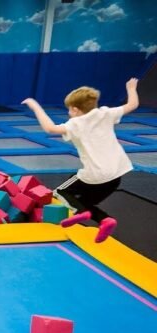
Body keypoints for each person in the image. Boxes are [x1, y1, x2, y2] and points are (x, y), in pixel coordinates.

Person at [22, 78, 139, 243]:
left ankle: (81, 212)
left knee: (61, 192)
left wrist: (35, 106)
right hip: (116, 175)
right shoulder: (105, 113)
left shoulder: (75, 124)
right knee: (83, 202)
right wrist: (131, 88)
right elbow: (132, 105)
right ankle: (105, 220)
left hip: (94, 175)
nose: (68, 113)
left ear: (75, 110)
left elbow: (50, 128)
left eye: (69, 110)